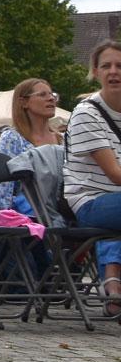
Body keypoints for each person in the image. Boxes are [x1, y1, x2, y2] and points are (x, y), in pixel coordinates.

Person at [65, 41, 121, 315]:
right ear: (95, 72)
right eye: (106, 66)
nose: (114, 72)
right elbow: (116, 174)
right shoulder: (87, 113)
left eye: (120, 66)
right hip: (91, 202)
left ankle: (114, 285)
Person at [0, 78, 57, 217]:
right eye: (42, 94)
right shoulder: (13, 138)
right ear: (23, 102)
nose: (51, 98)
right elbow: (0, 186)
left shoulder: (64, 138)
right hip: (35, 211)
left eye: (52, 94)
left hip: (67, 205)